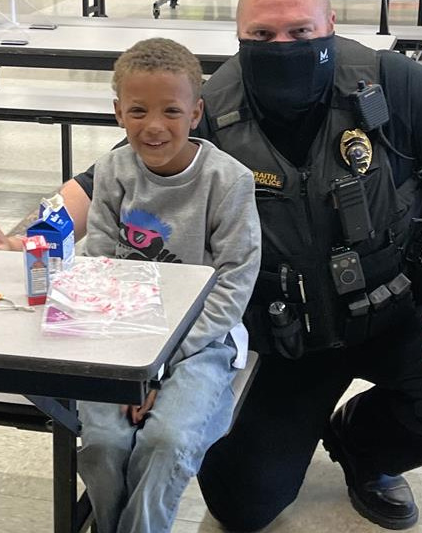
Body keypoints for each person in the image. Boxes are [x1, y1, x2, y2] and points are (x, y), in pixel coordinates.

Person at [0, 0, 422, 532]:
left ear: (331, 23)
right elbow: (101, 186)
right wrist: (23, 239)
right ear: (240, 36)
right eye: (262, 36)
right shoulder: (206, 108)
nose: (283, 46)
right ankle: (293, 433)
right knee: (242, 505)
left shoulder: (394, 85)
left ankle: (366, 450)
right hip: (286, 337)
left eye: (300, 32)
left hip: (397, 307)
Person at [75, 38, 261, 533]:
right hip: (119, 339)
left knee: (168, 442)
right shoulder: (113, 171)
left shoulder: (230, 181)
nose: (153, 125)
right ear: (118, 114)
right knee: (103, 444)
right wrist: (131, 367)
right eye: (137, 111)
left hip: (199, 343)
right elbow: (100, 266)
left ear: (196, 113)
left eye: (171, 111)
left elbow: (233, 284)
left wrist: (156, 369)